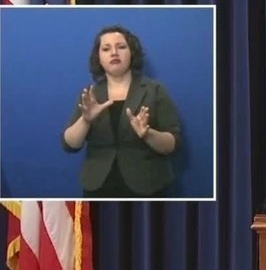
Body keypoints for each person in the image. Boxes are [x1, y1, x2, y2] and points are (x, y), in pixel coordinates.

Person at [62, 25, 182, 198]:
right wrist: (85, 120)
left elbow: (172, 144)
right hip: (98, 186)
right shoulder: (90, 94)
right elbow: (69, 145)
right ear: (98, 58)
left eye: (121, 47)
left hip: (148, 185)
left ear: (132, 52)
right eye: (106, 49)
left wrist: (148, 134)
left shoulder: (154, 90)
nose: (114, 53)